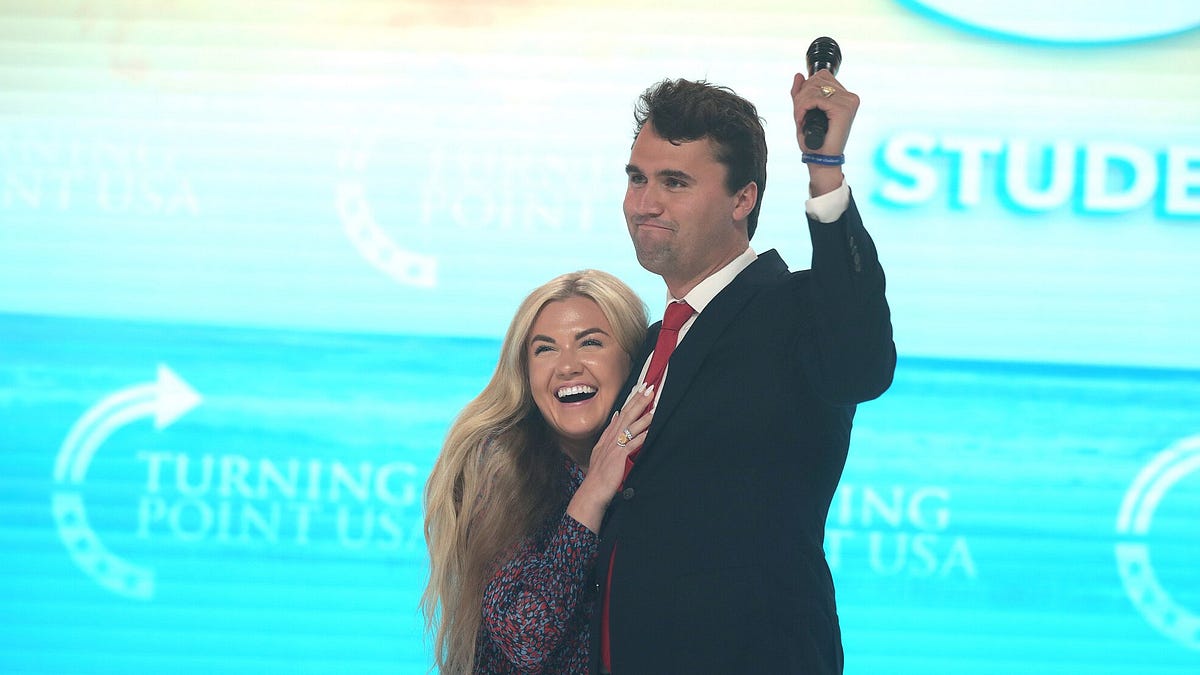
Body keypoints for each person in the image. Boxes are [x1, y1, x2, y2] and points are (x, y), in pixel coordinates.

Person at [592, 73, 896, 673]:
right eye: (637, 178)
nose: (645, 203)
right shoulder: (652, 343)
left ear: (743, 200)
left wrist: (825, 172)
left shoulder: (798, 311)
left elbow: (861, 365)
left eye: (675, 182)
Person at [422, 269, 652, 674]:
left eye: (590, 343)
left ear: (633, 361)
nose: (567, 367)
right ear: (526, 374)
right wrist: (590, 496)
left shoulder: (658, 466)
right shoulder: (498, 466)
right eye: (545, 349)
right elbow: (525, 637)